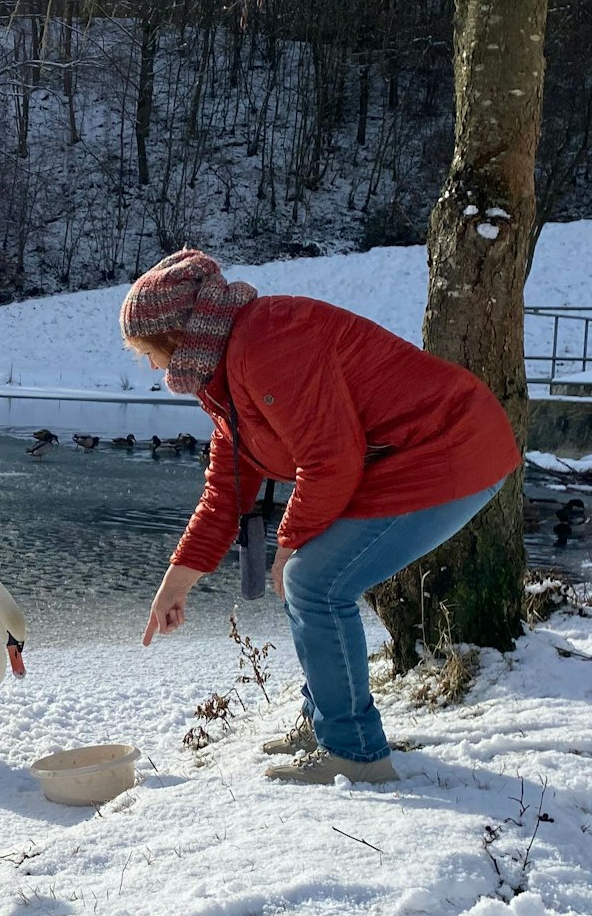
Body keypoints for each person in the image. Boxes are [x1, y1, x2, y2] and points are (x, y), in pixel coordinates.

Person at [124, 250, 519, 785]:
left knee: (312, 580)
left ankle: (356, 752)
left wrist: (289, 542)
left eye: (148, 351)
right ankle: (327, 723)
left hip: (448, 450)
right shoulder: (226, 374)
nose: (151, 365)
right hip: (401, 459)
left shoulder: (268, 343)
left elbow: (330, 459)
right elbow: (225, 492)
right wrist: (176, 582)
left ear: (177, 335)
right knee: (306, 575)